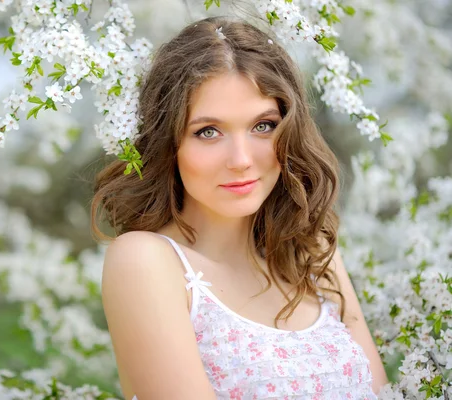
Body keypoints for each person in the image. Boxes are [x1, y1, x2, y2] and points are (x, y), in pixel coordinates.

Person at [91, 16, 389, 400]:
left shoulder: (312, 254)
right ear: (168, 141)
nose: (241, 159)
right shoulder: (146, 262)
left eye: (263, 126)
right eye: (208, 132)